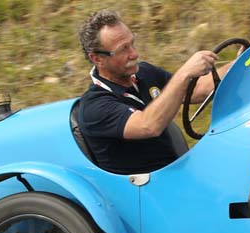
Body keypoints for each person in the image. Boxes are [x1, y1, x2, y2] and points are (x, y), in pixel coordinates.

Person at [74, 10, 233, 174]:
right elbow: (148, 125)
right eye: (123, 50)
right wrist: (184, 73)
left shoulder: (145, 72)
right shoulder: (95, 106)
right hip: (143, 185)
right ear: (97, 59)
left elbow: (198, 89)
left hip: (177, 169)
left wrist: (241, 63)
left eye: (132, 43)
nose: (134, 54)